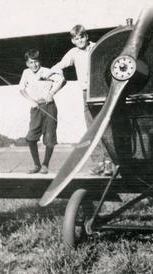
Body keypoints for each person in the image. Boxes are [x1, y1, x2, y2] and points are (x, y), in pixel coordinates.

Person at [51, 24, 113, 175]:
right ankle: (99, 162)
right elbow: (58, 66)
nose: (79, 40)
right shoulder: (73, 53)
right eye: (76, 38)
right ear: (73, 41)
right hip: (86, 93)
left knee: (106, 126)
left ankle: (110, 163)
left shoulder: (96, 47)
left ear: (86, 36)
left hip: (101, 91)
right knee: (91, 128)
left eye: (81, 37)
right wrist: (58, 75)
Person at [19, 48, 65, 174]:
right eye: (31, 62)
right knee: (31, 137)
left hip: (49, 106)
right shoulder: (26, 73)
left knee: (49, 137)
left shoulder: (47, 71)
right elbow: (21, 89)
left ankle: (45, 165)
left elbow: (62, 80)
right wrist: (31, 101)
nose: (34, 65)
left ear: (40, 61)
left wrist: (52, 93)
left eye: (36, 62)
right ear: (27, 63)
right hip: (36, 107)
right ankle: (36, 165)